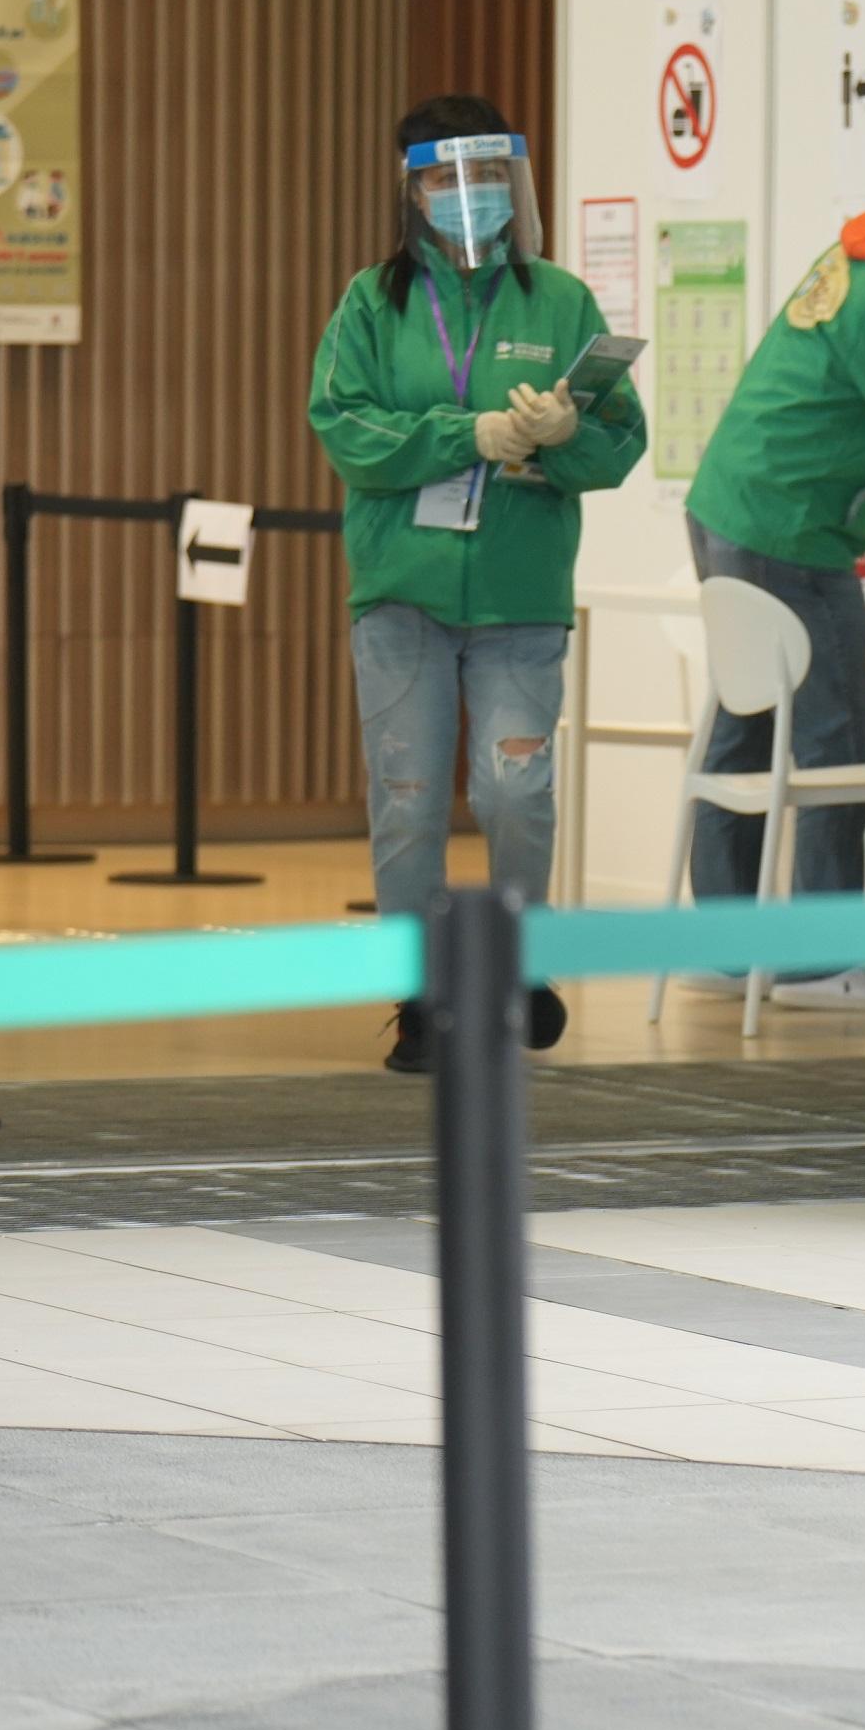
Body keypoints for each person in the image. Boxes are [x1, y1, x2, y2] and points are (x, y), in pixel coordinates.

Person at [310, 95, 645, 1075]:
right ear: (409, 189)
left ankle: (515, 969)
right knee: (408, 796)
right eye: (442, 180)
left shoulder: (559, 300)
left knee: (515, 792)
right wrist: (470, 435)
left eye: (489, 177)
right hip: (401, 592)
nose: (468, 198)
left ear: (516, 183)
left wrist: (565, 436)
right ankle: (420, 995)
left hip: (520, 594)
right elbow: (343, 427)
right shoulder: (372, 302)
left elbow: (621, 439)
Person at [677, 189, 865, 1008]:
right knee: (840, 742)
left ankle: (729, 948)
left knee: (749, 727)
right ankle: (815, 959)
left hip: (730, 506)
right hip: (788, 532)